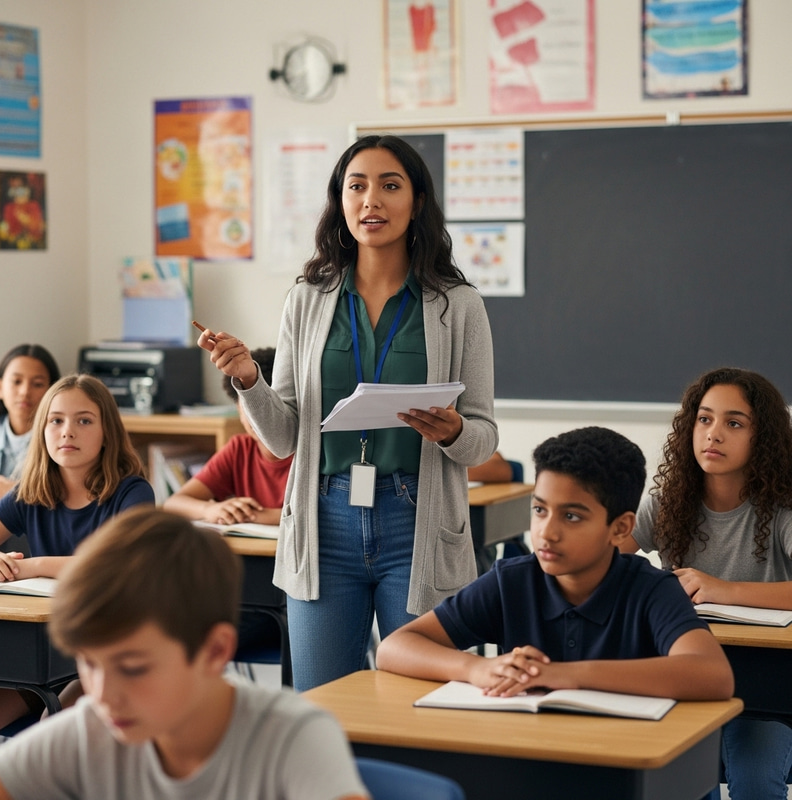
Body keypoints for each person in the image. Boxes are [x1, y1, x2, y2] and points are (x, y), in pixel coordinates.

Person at [198, 134, 498, 691]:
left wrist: (454, 430)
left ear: (418, 202)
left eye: (389, 186)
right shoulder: (307, 300)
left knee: (424, 706)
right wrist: (247, 380)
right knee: (322, 706)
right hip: (324, 518)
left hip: (418, 519)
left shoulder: (458, 305)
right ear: (340, 201)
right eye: (357, 187)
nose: (371, 201)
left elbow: (483, 437)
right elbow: (284, 437)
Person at [0, 507, 369, 800]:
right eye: (88, 663)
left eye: (134, 668)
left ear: (215, 650)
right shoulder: (90, 731)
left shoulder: (294, 737)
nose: (101, 695)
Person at [376, 426, 733, 708]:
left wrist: (565, 675)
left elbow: (713, 675)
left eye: (572, 516)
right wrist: (478, 668)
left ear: (621, 528)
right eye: (539, 510)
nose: (547, 532)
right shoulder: (512, 581)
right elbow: (395, 648)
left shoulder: (652, 590)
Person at [619, 367, 792, 800]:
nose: (713, 434)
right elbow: (602, 560)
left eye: (734, 423)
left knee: (755, 784)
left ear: (763, 438)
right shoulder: (669, 500)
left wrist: (721, 588)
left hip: (764, 683)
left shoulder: (783, 508)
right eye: (704, 418)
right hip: (683, 674)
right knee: (676, 783)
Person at [0, 373, 155, 731]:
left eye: (84, 421)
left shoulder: (132, 492)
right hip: (46, 648)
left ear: (106, 432)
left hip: (112, 645)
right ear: (43, 430)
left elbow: (118, 565)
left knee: (58, 725)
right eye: (56, 420)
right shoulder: (29, 492)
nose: (68, 431)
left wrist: (32, 566)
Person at [163, 347, 293, 526]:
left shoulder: (313, 450)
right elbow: (173, 504)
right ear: (238, 408)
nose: (258, 419)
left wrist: (251, 515)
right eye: (249, 406)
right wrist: (209, 510)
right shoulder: (240, 449)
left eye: (267, 408)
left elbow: (319, 516)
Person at [0, 344, 61, 502]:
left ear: (53, 391)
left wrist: (8, 490)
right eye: (16, 381)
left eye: (37, 384)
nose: (25, 391)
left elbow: (63, 492)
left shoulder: (62, 437)